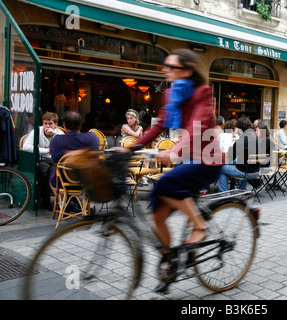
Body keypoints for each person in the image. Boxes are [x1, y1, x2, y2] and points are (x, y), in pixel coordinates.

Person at [117, 49, 224, 293]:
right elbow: (159, 126)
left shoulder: (203, 93)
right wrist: (130, 149)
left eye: (171, 66)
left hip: (208, 160)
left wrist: (175, 151)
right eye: (165, 65)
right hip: (188, 158)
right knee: (156, 214)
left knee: (166, 184)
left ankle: (200, 226)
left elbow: (197, 128)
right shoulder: (172, 95)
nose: (165, 70)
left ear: (187, 70)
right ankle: (171, 261)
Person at [49, 110, 99, 196]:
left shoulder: (56, 141)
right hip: (87, 180)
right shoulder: (92, 137)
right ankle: (86, 205)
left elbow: (54, 159)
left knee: (53, 171)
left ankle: (62, 203)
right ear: (80, 124)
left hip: (64, 181)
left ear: (64, 125)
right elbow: (96, 156)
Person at [23, 112, 64, 210]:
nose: (47, 126)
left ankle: (64, 201)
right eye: (45, 123)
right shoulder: (37, 131)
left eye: (50, 124)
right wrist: (45, 150)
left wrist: (55, 135)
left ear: (55, 124)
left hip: (55, 160)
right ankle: (46, 202)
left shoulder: (59, 133)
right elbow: (26, 146)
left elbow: (65, 146)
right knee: (47, 171)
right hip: (42, 159)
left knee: (61, 171)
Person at [217, 117, 260, 192]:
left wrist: (231, 147)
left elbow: (231, 157)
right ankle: (242, 191)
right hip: (256, 171)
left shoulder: (241, 140)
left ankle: (224, 194)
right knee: (242, 164)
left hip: (245, 172)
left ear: (239, 128)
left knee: (220, 169)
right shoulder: (256, 138)